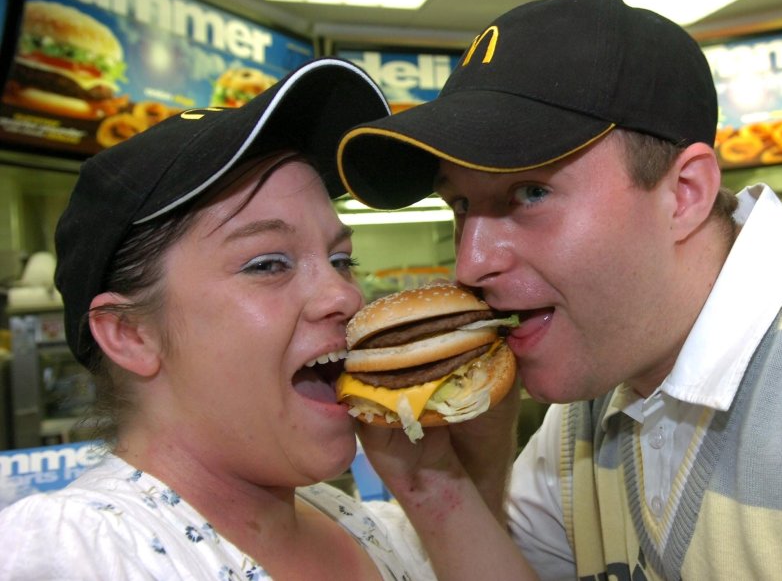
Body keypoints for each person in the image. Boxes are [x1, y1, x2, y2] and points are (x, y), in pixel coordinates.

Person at [336, 0, 782, 580]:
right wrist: (434, 481)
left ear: (684, 195)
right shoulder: (583, 414)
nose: (470, 264)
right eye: (461, 206)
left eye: (530, 193)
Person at [0, 58, 532, 580]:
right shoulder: (73, 552)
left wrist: (433, 483)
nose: (345, 298)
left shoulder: (364, 526)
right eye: (267, 264)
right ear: (130, 334)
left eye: (342, 260)